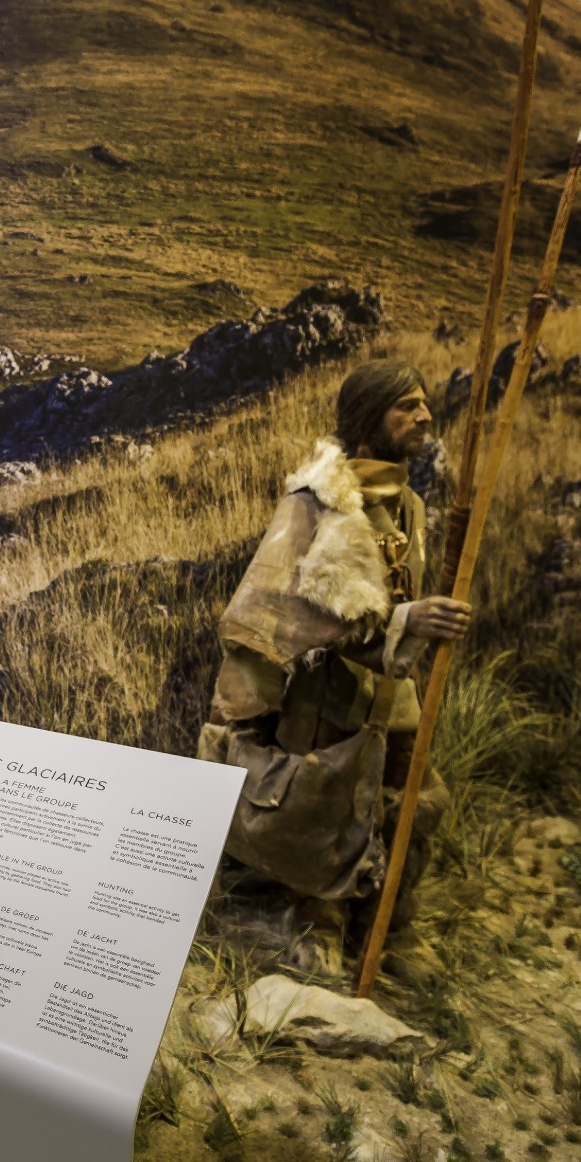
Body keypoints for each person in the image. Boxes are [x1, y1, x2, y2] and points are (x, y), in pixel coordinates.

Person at [199, 359, 470, 973]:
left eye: (424, 402)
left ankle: (388, 927)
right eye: (406, 405)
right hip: (326, 693)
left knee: (404, 804)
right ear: (368, 421)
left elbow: (406, 592)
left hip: (393, 690)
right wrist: (406, 622)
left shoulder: (414, 507)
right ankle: (315, 924)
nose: (424, 415)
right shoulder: (315, 500)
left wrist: (418, 625)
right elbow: (291, 605)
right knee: (324, 808)